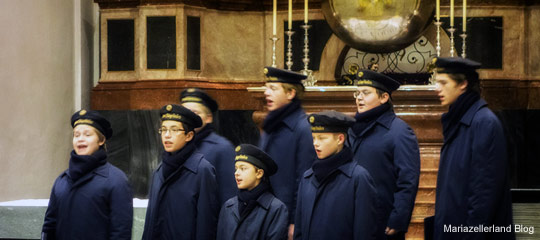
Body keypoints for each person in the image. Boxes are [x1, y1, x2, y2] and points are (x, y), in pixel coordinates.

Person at [432, 57, 515, 240]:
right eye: (437, 82)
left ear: (463, 84)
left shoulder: (484, 123)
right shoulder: (458, 120)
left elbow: (483, 193)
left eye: (443, 83)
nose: (437, 88)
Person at [348, 70, 420, 239]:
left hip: (382, 221)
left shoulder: (399, 131)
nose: (359, 98)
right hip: (352, 218)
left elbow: (407, 180)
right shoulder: (351, 128)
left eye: (365, 93)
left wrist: (398, 218)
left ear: (384, 97)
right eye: (357, 93)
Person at [42, 109, 133, 240]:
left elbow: (120, 232)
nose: (80, 139)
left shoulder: (116, 181)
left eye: (87, 134)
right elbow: (49, 227)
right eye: (76, 135)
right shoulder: (61, 181)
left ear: (101, 140)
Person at [294, 111, 377, 240]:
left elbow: (364, 231)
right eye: (314, 137)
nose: (315, 143)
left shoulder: (358, 178)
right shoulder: (308, 178)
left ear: (340, 139)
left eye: (322, 138)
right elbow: (299, 231)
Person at [142, 104, 219, 240]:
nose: (167, 135)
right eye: (163, 130)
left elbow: (206, 226)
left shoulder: (202, 170)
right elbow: (150, 222)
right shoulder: (159, 171)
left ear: (189, 135)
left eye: (174, 130)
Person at [259, 67, 317, 238]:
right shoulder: (271, 124)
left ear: (291, 93)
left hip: (285, 216)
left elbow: (304, 179)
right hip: (267, 211)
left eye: (273, 88)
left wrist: (295, 221)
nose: (266, 93)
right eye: (266, 87)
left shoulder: (303, 128)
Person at [217, 144, 288, 240]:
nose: (236, 173)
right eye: (236, 168)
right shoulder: (228, 206)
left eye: (243, 168)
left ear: (259, 173)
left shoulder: (276, 209)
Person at [181, 87, 236, 205]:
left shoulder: (222, 148)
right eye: (184, 112)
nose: (189, 118)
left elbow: (229, 196)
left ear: (209, 118)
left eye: (195, 113)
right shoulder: (176, 145)